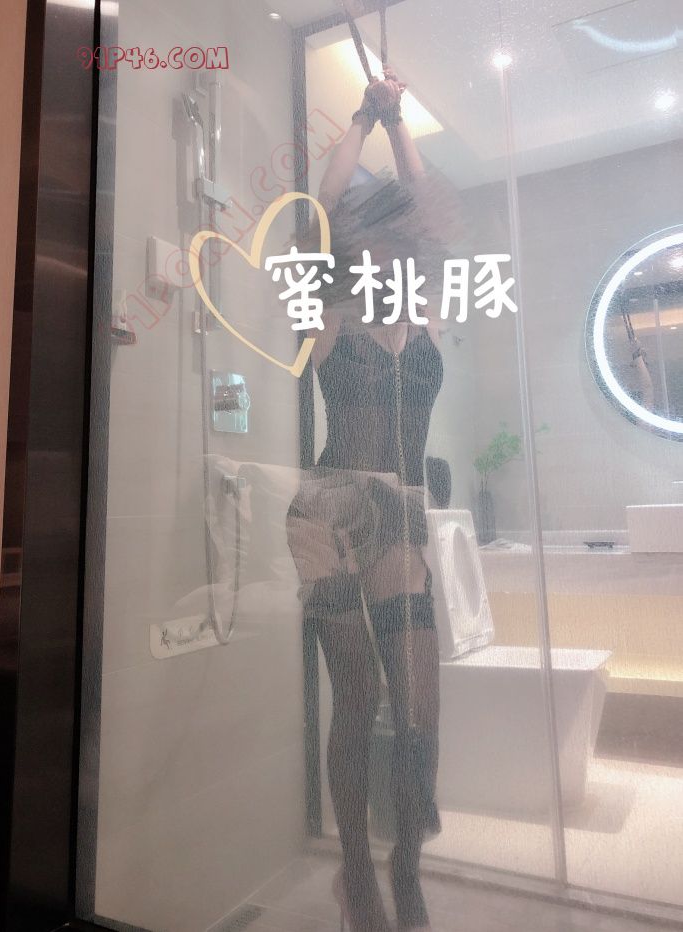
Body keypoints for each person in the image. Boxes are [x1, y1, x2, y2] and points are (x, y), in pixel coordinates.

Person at [287, 70, 459, 932]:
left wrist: (399, 128)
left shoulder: (425, 308)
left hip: (402, 512)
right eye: (374, 231)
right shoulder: (327, 311)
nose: (388, 243)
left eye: (395, 231)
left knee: (418, 702)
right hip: (330, 512)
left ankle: (406, 865)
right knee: (356, 698)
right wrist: (361, 116)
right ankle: (356, 869)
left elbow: (431, 213)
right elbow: (319, 208)